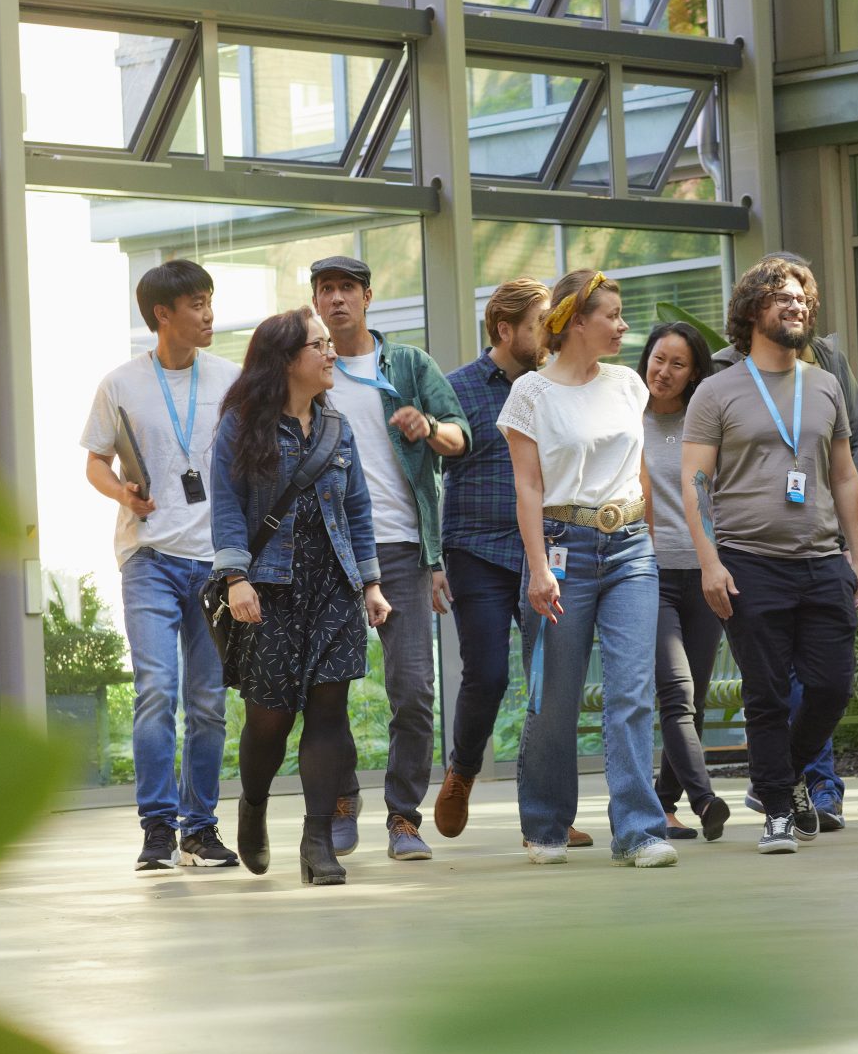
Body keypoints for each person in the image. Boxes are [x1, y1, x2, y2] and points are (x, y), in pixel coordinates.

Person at [683, 258, 858, 855]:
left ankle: (778, 780)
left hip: (821, 559)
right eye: (782, 298)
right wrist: (710, 563)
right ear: (751, 311)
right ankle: (778, 815)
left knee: (831, 687)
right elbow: (694, 485)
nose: (797, 307)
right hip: (749, 561)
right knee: (765, 692)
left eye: (802, 299)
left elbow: (844, 475)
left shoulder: (825, 384)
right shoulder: (715, 391)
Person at [498, 269, 676, 868]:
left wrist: (648, 539)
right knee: (555, 696)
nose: (624, 326)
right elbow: (526, 486)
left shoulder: (629, 384)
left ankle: (639, 830)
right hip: (560, 548)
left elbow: (640, 468)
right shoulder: (531, 394)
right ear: (577, 321)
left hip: (628, 547)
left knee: (631, 692)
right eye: (612, 315)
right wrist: (537, 570)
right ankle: (546, 824)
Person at [211, 308, 391, 884]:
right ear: (289, 360)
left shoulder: (337, 427)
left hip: (333, 585)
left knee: (329, 712)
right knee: (269, 719)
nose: (331, 352)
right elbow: (226, 508)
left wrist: (371, 583)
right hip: (269, 588)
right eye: (319, 345)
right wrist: (237, 578)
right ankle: (254, 804)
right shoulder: (242, 425)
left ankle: (318, 843)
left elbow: (358, 509)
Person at [310, 256, 470, 863]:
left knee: (413, 689)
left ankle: (404, 816)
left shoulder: (405, 365)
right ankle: (342, 800)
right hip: (329, 551)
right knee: (330, 690)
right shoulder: (311, 367)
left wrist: (425, 426)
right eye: (325, 291)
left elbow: (460, 437)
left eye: (347, 289)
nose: (337, 300)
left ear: (368, 297)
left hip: (402, 549)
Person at [80, 259, 239, 872]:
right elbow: (95, 460)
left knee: (208, 702)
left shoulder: (230, 377)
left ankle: (200, 829)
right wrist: (122, 493)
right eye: (195, 305)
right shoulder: (120, 384)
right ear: (161, 315)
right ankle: (156, 829)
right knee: (156, 692)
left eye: (209, 301)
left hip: (216, 561)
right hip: (148, 556)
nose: (208, 315)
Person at [434, 279, 594, 850]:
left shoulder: (555, 385)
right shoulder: (456, 389)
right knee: (490, 674)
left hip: (545, 549)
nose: (549, 332)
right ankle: (462, 772)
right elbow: (429, 478)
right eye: (538, 323)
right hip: (476, 549)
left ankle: (547, 816)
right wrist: (433, 559)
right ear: (505, 330)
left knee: (553, 683)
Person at [638, 322, 731, 842]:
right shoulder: (627, 417)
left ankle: (663, 803)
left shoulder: (707, 421)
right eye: (658, 359)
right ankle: (705, 798)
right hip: (645, 573)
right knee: (674, 691)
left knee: (691, 698)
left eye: (678, 363)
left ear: (694, 371)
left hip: (703, 572)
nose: (664, 371)